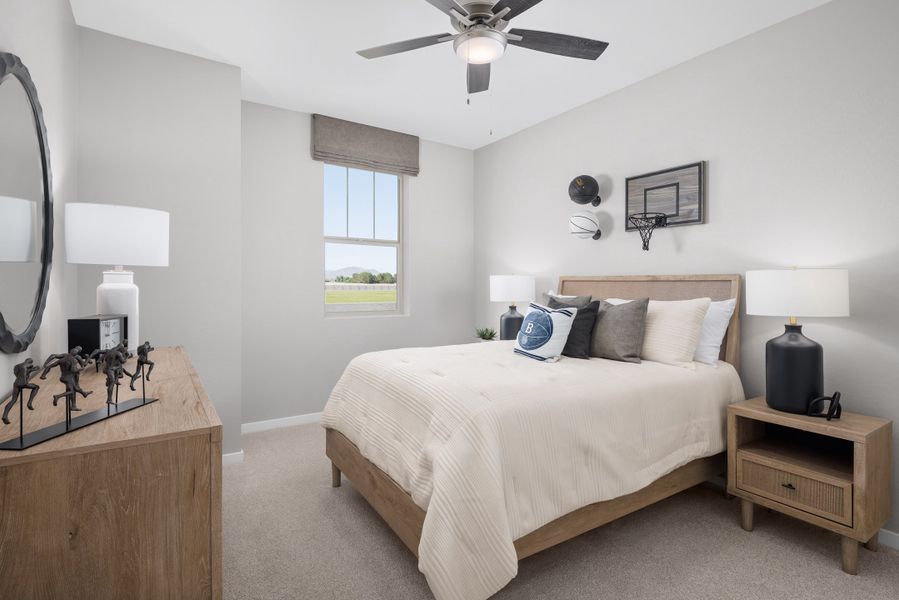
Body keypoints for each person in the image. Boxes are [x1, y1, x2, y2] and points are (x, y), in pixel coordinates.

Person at [40, 347, 93, 411]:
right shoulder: (75, 359)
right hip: (71, 376)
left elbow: (52, 358)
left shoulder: (63, 357)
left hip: (63, 377)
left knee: (75, 388)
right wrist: (87, 360)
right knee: (72, 390)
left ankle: (83, 394)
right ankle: (58, 397)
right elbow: (77, 368)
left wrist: (44, 373)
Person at [2, 358, 41, 424]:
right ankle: (29, 403)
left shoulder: (17, 366)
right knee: (36, 387)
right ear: (29, 363)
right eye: (31, 364)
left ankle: (5, 415)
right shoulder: (26, 367)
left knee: (13, 400)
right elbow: (24, 374)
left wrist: (31, 370)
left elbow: (17, 374)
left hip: (16, 383)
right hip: (23, 383)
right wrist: (32, 369)